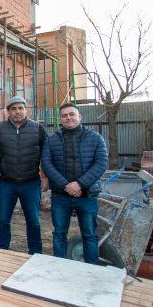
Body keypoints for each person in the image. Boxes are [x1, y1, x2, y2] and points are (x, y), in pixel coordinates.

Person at [41, 103, 108, 264]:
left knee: (89, 235)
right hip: (61, 196)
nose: (68, 118)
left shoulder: (95, 138)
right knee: (59, 234)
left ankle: (91, 269)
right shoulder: (52, 140)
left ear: (79, 117)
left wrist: (79, 184)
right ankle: (60, 267)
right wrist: (66, 185)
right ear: (60, 119)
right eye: (64, 116)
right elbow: (47, 164)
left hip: (87, 196)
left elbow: (101, 163)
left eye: (72, 114)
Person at [0, 95, 48, 255]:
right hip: (6, 183)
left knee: (33, 220)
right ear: (8, 112)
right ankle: (2, 251)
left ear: (26, 110)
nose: (17, 111)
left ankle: (35, 252)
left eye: (21, 108)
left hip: (31, 182)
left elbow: (46, 155)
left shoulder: (38, 129)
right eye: (13, 109)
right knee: (3, 219)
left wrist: (46, 177)